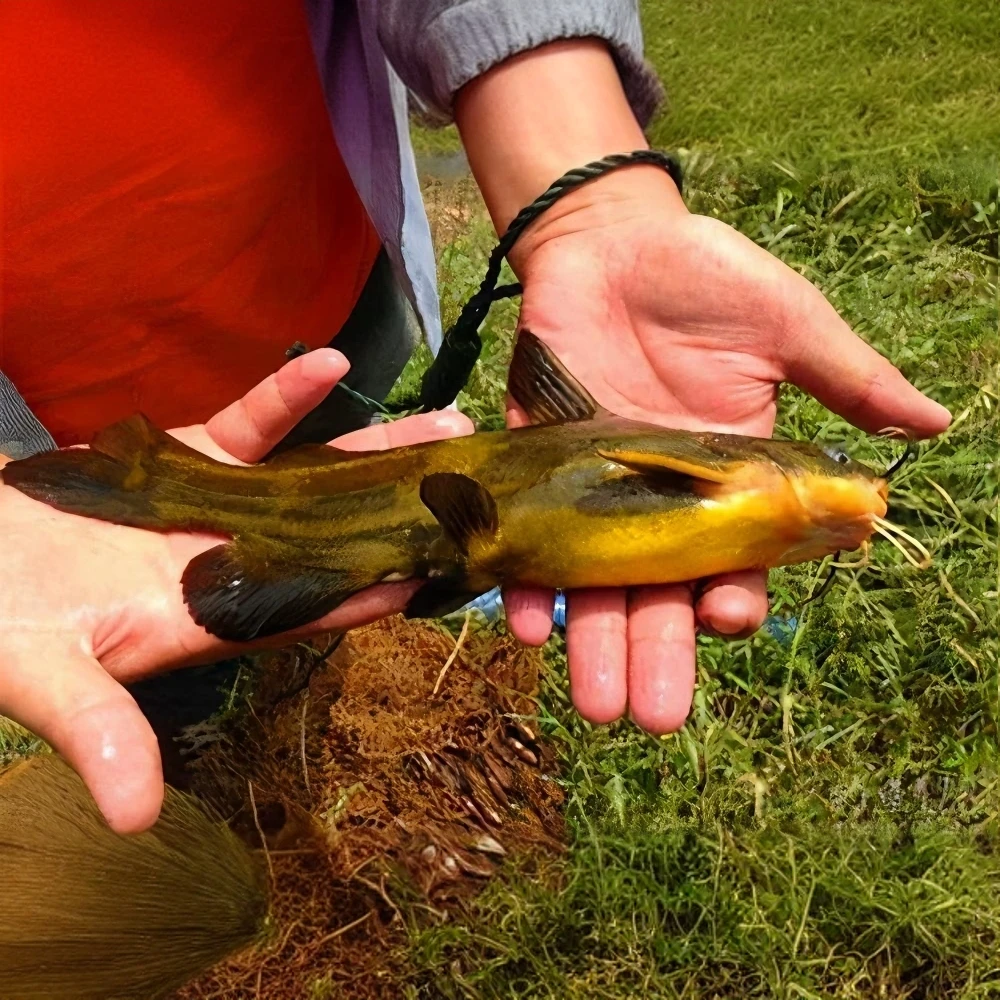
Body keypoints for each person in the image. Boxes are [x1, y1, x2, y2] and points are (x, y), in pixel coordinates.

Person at [0, 1, 950, 836]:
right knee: (168, 638)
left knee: (291, 547)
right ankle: (200, 712)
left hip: (304, 288)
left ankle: (264, 655)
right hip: (39, 408)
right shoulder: (713, 471)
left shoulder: (726, 483)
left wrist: (595, 206)